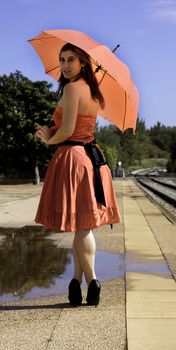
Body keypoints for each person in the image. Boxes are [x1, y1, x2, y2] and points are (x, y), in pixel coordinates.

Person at [34, 43, 121, 307]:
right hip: (92, 158)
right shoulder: (93, 92)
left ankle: (93, 280)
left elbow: (67, 131)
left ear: (83, 63)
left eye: (71, 59)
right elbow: (75, 127)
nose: (65, 64)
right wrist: (52, 130)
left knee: (82, 228)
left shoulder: (72, 88)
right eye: (62, 59)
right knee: (81, 227)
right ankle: (75, 281)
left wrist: (48, 139)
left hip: (74, 159)